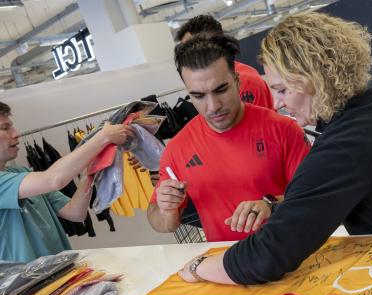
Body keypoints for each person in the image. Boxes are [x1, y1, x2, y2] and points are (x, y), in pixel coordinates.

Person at [176, 12, 372, 286]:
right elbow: (328, 197)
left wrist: (199, 266)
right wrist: (276, 207)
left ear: (315, 80)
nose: (280, 102)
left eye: (283, 90)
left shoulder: (347, 143)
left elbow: (270, 255)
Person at [147, 34, 310, 242]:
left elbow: (315, 195)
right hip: (225, 265)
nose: (213, 106)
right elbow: (162, 222)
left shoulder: (283, 129)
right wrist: (167, 208)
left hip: (291, 251)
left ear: (237, 81)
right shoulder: (178, 149)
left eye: (221, 90)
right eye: (199, 96)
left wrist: (271, 204)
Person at [0, 102, 133, 262]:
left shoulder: (22, 173)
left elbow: (75, 213)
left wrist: (89, 173)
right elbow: (53, 179)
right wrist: (103, 137)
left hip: (59, 273)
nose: (16, 134)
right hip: (26, 284)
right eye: (5, 128)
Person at [175, 15, 274, 109]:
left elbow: (255, 125)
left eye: (190, 47)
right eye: (199, 96)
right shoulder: (232, 74)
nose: (185, 55)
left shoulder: (244, 81)